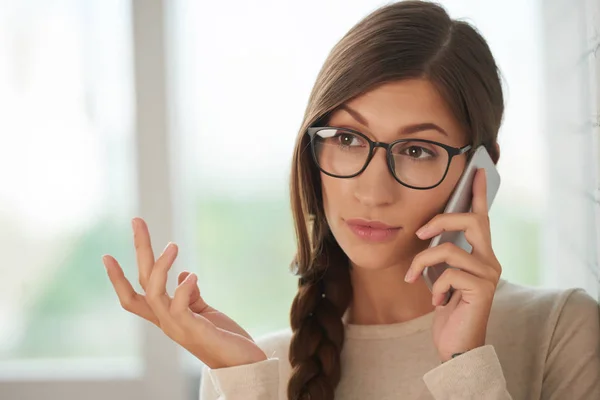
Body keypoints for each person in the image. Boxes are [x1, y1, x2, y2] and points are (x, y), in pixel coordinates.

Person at [102, 1, 600, 399]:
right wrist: (248, 381)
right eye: (346, 140)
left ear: (480, 171)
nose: (372, 191)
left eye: (417, 150)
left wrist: (465, 368)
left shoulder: (560, 331)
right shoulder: (248, 371)